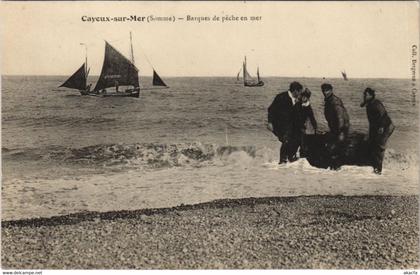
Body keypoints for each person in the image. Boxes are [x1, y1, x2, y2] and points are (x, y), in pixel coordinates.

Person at [360, 87, 395, 174]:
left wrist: (382, 127)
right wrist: (369, 134)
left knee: (379, 146)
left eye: (366, 95)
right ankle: (374, 166)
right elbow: (372, 121)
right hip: (377, 127)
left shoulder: (376, 103)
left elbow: (383, 114)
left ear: (371, 95)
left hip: (386, 126)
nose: (365, 96)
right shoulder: (369, 103)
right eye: (364, 94)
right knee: (371, 143)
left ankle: (378, 169)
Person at [267, 81, 303, 164]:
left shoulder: (297, 99)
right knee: (286, 140)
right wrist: (270, 123)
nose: (300, 93)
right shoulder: (281, 97)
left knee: (297, 140)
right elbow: (271, 109)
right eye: (300, 91)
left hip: (290, 125)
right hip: (279, 125)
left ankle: (290, 157)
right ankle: (282, 161)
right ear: (295, 91)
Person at [321, 83, 350, 170]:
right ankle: (334, 167)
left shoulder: (335, 101)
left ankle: (336, 168)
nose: (325, 92)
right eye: (323, 91)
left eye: (327, 90)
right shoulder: (328, 100)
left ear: (331, 90)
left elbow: (340, 116)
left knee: (335, 147)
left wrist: (341, 131)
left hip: (340, 128)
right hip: (335, 128)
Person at [295, 88, 318, 157]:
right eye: (303, 96)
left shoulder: (307, 106)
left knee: (303, 142)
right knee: (298, 141)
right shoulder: (298, 105)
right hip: (296, 125)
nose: (303, 98)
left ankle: (302, 156)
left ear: (308, 98)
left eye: (305, 97)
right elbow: (296, 116)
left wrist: (315, 127)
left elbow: (312, 117)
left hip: (301, 126)